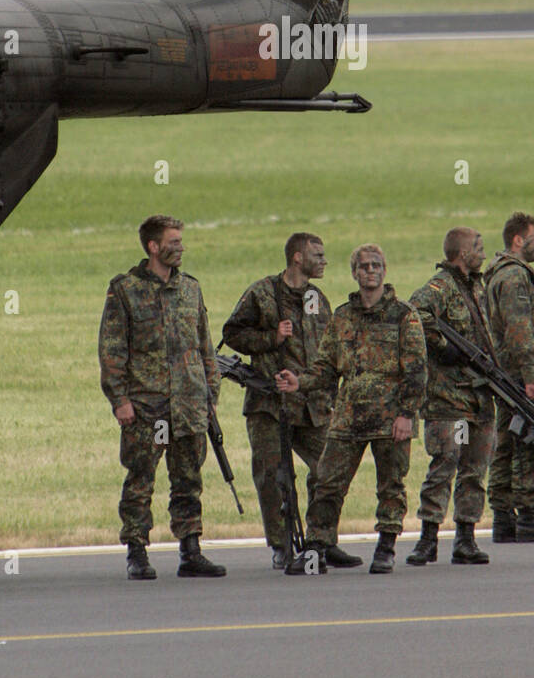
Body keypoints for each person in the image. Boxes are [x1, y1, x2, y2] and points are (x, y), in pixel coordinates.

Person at [276, 244, 427, 574]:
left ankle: (386, 546)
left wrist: (406, 414)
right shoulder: (343, 316)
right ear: (354, 273)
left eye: (375, 265)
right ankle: (317, 547)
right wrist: (298, 382)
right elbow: (326, 366)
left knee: (391, 485)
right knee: (328, 482)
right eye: (363, 266)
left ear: (384, 270)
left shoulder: (404, 315)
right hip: (349, 416)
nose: (369, 271)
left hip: (391, 418)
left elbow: (416, 370)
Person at [222, 233, 360, 569]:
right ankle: (283, 546)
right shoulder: (263, 293)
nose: (324, 260)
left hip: (311, 402)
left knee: (328, 470)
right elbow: (232, 334)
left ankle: (322, 541)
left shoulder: (317, 297)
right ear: (297, 258)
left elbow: (330, 348)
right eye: (318, 255)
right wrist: (271, 338)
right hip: (271, 404)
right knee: (273, 476)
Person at [99, 214, 226, 579]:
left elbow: (205, 347)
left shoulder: (190, 289)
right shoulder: (125, 289)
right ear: (153, 247)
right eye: (173, 242)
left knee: (188, 480)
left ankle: (190, 550)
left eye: (181, 241)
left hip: (188, 406)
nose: (180, 247)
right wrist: (119, 399)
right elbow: (112, 349)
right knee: (141, 480)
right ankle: (137, 551)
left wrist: (210, 393)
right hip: (147, 406)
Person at [406, 227, 496, 567]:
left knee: (475, 469)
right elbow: (415, 314)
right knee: (445, 464)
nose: (484, 253)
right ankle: (428, 538)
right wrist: (447, 350)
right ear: (461, 253)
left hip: (480, 398)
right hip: (448, 399)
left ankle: (466, 538)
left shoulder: (477, 287)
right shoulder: (440, 287)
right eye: (478, 247)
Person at [485, 212, 534, 543]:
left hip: (504, 373)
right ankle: (528, 515)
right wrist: (531, 376)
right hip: (519, 374)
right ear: (518, 240)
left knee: (504, 442)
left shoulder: (496, 274)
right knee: (529, 441)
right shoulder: (516, 277)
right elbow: (520, 332)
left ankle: (503, 518)